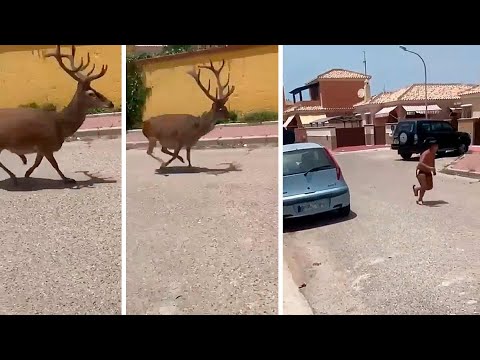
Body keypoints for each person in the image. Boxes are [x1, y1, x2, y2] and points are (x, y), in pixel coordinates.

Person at [413, 137, 438, 205]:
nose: (437, 147)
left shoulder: (433, 154)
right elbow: (420, 164)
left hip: (428, 171)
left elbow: (432, 161)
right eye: (436, 146)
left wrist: (434, 170)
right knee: (423, 186)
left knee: (430, 187)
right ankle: (420, 199)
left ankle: (417, 189)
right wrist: (430, 168)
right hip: (421, 171)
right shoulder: (426, 153)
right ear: (432, 147)